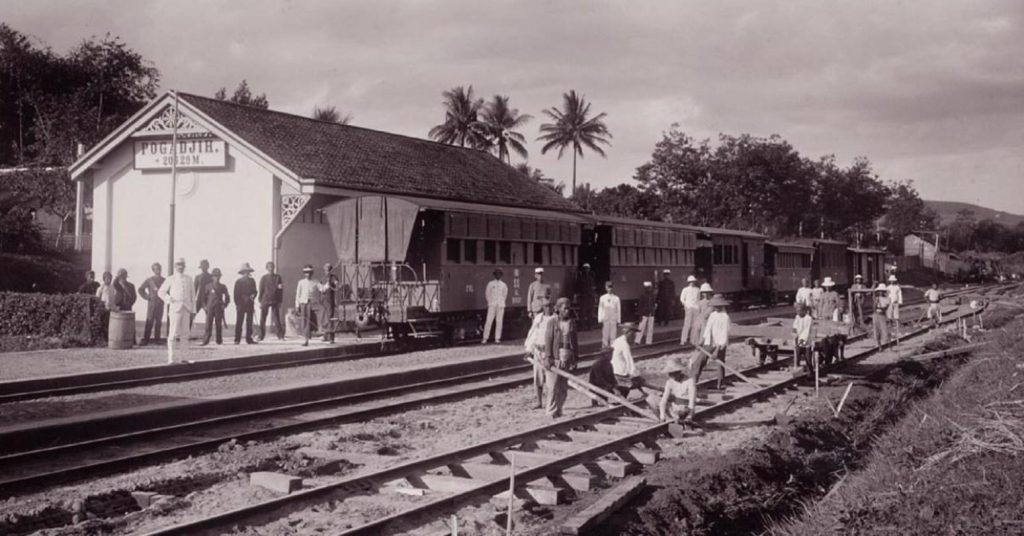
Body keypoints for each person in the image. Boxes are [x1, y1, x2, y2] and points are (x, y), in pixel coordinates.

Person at [542, 297, 578, 418]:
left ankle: (559, 409)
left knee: (563, 387)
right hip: (555, 357)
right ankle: (551, 411)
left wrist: (575, 358)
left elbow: (575, 342)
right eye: (565, 308)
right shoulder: (552, 322)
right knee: (552, 386)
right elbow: (548, 340)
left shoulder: (572, 323)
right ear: (558, 309)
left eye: (569, 308)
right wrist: (548, 357)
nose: (567, 311)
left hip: (567, 357)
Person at [158, 258, 196, 364]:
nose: (180, 267)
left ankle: (184, 358)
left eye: (182, 265)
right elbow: (161, 292)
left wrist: (193, 310)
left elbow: (193, 296)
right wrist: (169, 299)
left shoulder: (189, 279)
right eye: (178, 265)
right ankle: (171, 359)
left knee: (185, 334)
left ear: (185, 266)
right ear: (175, 266)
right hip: (175, 309)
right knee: (173, 334)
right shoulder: (171, 278)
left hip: (186, 309)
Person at [693, 294, 730, 390]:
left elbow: (724, 334)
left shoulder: (725, 317)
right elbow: (708, 329)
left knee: (720, 363)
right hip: (709, 342)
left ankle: (720, 384)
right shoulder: (713, 315)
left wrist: (717, 350)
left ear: (722, 306)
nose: (716, 308)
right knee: (699, 361)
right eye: (714, 306)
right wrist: (702, 341)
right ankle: (693, 382)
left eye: (717, 306)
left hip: (720, 344)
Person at [525, 298, 554, 409]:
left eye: (550, 305)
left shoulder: (555, 319)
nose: (548, 308)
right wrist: (529, 349)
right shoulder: (539, 318)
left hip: (549, 352)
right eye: (546, 306)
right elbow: (533, 334)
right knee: (538, 378)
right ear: (543, 307)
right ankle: (539, 402)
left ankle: (551, 402)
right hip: (538, 351)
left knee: (551, 380)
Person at [647, 356, 694, 422]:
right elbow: (664, 400)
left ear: (679, 371)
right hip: (674, 407)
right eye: (670, 374)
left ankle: (678, 420)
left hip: (684, 409)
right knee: (651, 399)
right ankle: (665, 419)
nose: (672, 376)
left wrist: (690, 417)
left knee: (682, 410)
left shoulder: (689, 381)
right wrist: (662, 417)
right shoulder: (669, 382)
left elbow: (692, 401)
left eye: (674, 373)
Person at [611, 323, 646, 397]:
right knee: (639, 380)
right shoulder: (624, 345)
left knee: (636, 377)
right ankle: (645, 393)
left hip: (614, 370)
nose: (634, 336)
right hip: (620, 373)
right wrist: (635, 374)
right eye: (633, 334)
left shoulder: (617, 340)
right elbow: (629, 361)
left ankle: (644, 392)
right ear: (629, 333)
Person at [200, 268, 229, 346]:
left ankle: (219, 341)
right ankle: (205, 341)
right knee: (208, 324)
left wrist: (225, 305)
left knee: (218, 324)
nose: (217, 278)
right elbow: (203, 298)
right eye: (215, 276)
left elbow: (227, 297)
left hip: (218, 308)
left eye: (218, 276)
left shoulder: (223, 286)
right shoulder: (208, 286)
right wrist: (204, 307)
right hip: (210, 308)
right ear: (212, 277)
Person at [139, 263, 165, 345]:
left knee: (158, 322)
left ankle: (157, 339)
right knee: (149, 321)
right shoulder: (149, 280)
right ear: (153, 270)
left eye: (159, 269)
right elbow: (140, 289)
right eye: (156, 269)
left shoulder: (164, 280)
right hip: (152, 304)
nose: (158, 271)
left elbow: (168, 291)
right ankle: (146, 339)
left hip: (160, 303)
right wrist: (147, 297)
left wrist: (166, 298)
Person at [258, 262, 285, 341]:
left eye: (272, 267)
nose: (271, 269)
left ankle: (280, 336)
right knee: (262, 318)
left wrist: (280, 301)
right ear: (267, 268)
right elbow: (261, 289)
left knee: (277, 318)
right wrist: (260, 301)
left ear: (274, 268)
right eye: (269, 267)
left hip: (275, 300)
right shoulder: (263, 278)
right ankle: (261, 335)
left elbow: (280, 290)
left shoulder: (278, 277)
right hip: (265, 300)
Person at [234, 263, 259, 344]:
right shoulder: (238, 282)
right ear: (242, 272)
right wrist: (237, 304)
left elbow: (255, 291)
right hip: (241, 304)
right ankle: (237, 339)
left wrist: (253, 295)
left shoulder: (252, 281)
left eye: (248, 271)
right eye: (245, 271)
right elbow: (236, 294)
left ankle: (249, 339)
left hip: (249, 304)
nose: (246, 273)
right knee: (239, 322)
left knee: (249, 322)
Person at [482, 268, 508, 344]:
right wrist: (490, 302)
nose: (498, 275)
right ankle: (485, 338)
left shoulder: (504, 285)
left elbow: (504, 295)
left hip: (500, 305)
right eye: (496, 274)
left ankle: (497, 338)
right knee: (488, 321)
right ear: (494, 275)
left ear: (501, 275)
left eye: (499, 274)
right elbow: (487, 294)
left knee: (499, 322)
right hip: (492, 305)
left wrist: (501, 302)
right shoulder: (490, 284)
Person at [295, 265, 319, 346]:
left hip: (312, 304)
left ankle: (309, 337)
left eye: (309, 273)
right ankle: (306, 338)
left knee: (311, 321)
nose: (308, 274)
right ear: (304, 273)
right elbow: (298, 295)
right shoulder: (301, 282)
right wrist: (297, 306)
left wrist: (328, 284)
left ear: (312, 273)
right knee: (304, 321)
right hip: (303, 304)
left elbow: (322, 289)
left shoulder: (316, 282)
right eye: (306, 273)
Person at [598, 281, 621, 348]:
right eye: (608, 287)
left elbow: (618, 310)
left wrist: (618, 320)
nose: (609, 289)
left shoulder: (616, 298)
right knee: (605, 334)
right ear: (605, 288)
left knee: (613, 334)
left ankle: (612, 347)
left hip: (613, 319)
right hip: (606, 318)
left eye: (610, 287)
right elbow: (600, 309)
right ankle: (604, 347)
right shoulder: (602, 298)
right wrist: (600, 319)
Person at [319, 264, 339, 343]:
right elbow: (320, 289)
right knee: (324, 319)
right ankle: (325, 335)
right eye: (325, 270)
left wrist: (332, 285)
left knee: (330, 318)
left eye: (328, 270)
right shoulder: (323, 278)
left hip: (330, 301)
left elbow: (336, 287)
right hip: (324, 301)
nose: (327, 272)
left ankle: (331, 337)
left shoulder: (333, 277)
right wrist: (320, 298)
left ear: (330, 270)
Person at [679, 276, 701, 345]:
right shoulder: (685, 290)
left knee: (695, 324)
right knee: (687, 324)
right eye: (691, 282)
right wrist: (685, 305)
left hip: (696, 308)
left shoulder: (698, 290)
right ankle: (683, 340)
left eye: (693, 281)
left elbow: (698, 299)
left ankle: (693, 339)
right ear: (688, 282)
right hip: (688, 308)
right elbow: (682, 299)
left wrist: (698, 307)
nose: (692, 283)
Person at [793, 305, 815, 372]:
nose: (798, 312)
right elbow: (795, 327)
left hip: (807, 342)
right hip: (798, 341)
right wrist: (795, 337)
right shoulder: (797, 317)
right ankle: (798, 371)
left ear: (804, 311)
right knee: (797, 358)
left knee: (808, 359)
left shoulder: (809, 319)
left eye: (799, 311)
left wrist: (802, 340)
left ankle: (810, 372)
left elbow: (807, 330)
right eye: (797, 311)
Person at [192, 259, 213, 328]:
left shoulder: (211, 277)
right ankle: (186, 332)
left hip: (207, 299)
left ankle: (207, 333)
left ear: (207, 267)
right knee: (192, 315)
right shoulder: (197, 277)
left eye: (205, 266)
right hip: (199, 299)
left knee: (208, 316)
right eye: (202, 266)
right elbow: (194, 290)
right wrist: (192, 300)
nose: (204, 268)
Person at [576, 263, 597, 329]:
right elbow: (578, 287)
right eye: (585, 268)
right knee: (583, 312)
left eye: (587, 268)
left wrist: (594, 296)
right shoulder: (581, 278)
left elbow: (593, 287)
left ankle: (589, 326)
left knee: (590, 312)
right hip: (584, 297)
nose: (586, 270)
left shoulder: (591, 277)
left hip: (590, 297)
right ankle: (582, 326)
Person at [636, 281, 656, 346]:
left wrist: (653, 310)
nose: (649, 289)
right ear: (645, 288)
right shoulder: (642, 296)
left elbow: (654, 304)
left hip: (651, 313)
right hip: (644, 313)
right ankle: (637, 340)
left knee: (650, 328)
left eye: (649, 287)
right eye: (647, 288)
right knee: (641, 327)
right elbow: (640, 306)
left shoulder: (652, 296)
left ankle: (649, 341)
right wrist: (640, 315)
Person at [872, 283, 891, 348]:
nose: (880, 292)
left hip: (882, 315)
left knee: (884, 329)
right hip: (875, 315)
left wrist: (879, 307)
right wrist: (876, 302)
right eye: (879, 291)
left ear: (884, 291)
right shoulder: (876, 298)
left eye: (882, 291)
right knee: (876, 330)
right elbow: (874, 308)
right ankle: (877, 343)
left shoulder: (887, 299)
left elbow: (885, 308)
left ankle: (884, 343)